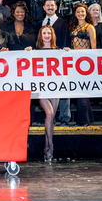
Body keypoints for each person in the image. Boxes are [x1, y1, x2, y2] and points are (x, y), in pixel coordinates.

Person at [24, 25, 67, 163]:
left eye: (49, 33)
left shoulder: (58, 51)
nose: (47, 35)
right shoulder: (35, 51)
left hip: (55, 86)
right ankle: (49, 148)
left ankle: (48, 149)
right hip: (41, 87)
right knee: (49, 114)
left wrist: (67, 52)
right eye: (44, 33)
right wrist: (28, 52)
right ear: (40, 36)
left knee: (52, 117)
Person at [68, 3, 96, 127]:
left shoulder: (90, 27)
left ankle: (83, 120)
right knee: (79, 89)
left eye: (83, 12)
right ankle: (87, 119)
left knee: (83, 90)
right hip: (74, 61)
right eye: (78, 12)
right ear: (75, 13)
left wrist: (92, 62)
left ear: (86, 13)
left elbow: (94, 46)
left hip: (86, 61)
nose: (80, 14)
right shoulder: (73, 27)